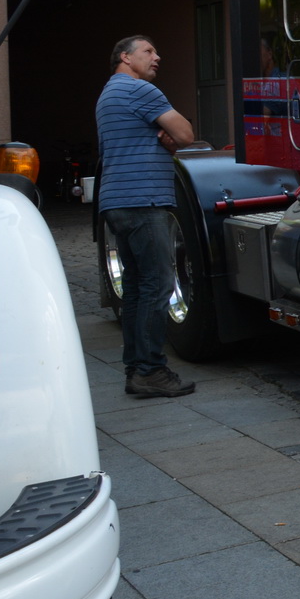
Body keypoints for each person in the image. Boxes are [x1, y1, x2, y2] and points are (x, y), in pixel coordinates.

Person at [96, 35, 197, 399]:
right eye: (148, 51)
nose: (158, 57)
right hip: (143, 200)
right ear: (125, 57)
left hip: (117, 201)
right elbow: (185, 134)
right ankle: (152, 369)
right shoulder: (141, 92)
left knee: (137, 289)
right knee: (158, 284)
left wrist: (164, 137)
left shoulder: (109, 94)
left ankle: (136, 369)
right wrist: (171, 135)